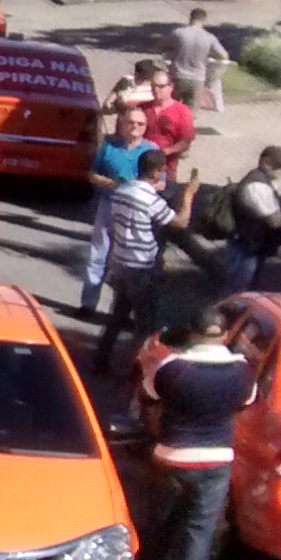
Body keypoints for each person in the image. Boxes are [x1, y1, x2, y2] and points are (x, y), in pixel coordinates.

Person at [144, 304, 258, 560]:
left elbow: (151, 394)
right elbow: (246, 401)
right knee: (201, 527)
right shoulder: (241, 370)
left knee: (164, 515)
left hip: (172, 454)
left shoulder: (173, 368)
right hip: (216, 458)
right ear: (224, 335)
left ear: (193, 333)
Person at [96, 154, 194, 374]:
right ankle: (135, 368)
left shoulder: (121, 192)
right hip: (142, 267)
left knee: (118, 316)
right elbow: (180, 222)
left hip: (121, 261)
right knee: (146, 324)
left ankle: (101, 360)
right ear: (155, 172)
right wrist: (187, 196)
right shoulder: (150, 200)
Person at [81, 107, 159, 316]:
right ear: (121, 124)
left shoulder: (151, 150)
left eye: (140, 124)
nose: (135, 127)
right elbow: (92, 175)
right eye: (131, 122)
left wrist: (135, 187)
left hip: (137, 212)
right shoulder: (108, 147)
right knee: (98, 255)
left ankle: (119, 311)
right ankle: (88, 305)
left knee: (127, 260)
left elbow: (161, 184)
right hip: (109, 206)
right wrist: (113, 184)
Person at [220, 146, 281, 294]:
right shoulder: (257, 186)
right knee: (237, 292)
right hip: (246, 247)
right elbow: (273, 220)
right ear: (266, 163)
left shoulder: (262, 181)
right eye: (279, 167)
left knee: (243, 289)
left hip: (251, 245)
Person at [166, 8, 228, 115]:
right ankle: (185, 129)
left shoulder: (178, 33)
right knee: (190, 113)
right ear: (204, 20)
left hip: (178, 76)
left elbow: (160, 47)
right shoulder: (209, 37)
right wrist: (208, 55)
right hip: (197, 79)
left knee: (172, 108)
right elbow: (224, 55)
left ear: (190, 18)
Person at [143, 69, 195, 181]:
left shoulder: (182, 111)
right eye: (153, 86)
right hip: (142, 163)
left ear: (171, 86)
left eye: (160, 86)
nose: (156, 90)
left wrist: (166, 151)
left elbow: (185, 141)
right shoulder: (143, 108)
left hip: (165, 167)